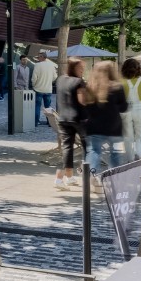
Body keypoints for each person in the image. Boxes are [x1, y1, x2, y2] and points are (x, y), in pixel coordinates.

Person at [82, 60, 127, 175]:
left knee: (94, 151)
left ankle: (91, 175)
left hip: (94, 126)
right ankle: (114, 176)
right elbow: (124, 108)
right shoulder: (117, 87)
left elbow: (85, 108)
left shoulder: (90, 87)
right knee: (116, 152)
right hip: (115, 127)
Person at [52, 58, 89, 191]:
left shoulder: (61, 79)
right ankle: (87, 175)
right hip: (79, 118)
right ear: (74, 68)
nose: (82, 70)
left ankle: (62, 178)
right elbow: (83, 101)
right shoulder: (79, 82)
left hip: (63, 118)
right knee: (88, 147)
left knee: (67, 148)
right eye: (80, 68)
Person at [121, 59, 141, 161]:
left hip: (126, 109)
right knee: (140, 134)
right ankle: (138, 155)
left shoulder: (121, 82)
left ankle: (130, 157)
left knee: (127, 136)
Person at [29, 52, 57, 128]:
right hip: (48, 89)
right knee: (48, 107)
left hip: (38, 89)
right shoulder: (51, 65)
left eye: (39, 57)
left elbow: (34, 77)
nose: (38, 58)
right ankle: (50, 122)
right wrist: (49, 81)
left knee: (37, 106)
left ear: (42, 57)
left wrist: (34, 85)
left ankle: (36, 122)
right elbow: (55, 76)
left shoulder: (37, 65)